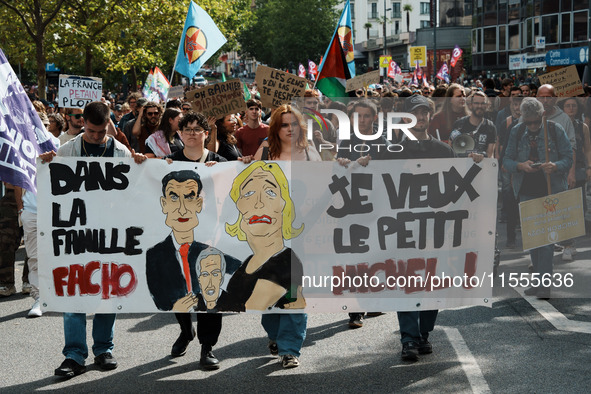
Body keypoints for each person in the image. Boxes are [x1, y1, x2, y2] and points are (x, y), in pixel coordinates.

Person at [38, 101, 147, 378]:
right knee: (74, 292)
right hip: (77, 234)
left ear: (109, 124)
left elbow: (134, 190)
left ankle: (103, 349)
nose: (97, 137)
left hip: (109, 235)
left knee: (106, 291)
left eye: (101, 132)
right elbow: (52, 190)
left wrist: (140, 166)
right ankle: (74, 355)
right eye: (92, 131)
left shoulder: (120, 151)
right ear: (81, 123)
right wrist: (48, 165)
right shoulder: (68, 150)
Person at [156, 111, 238, 370]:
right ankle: (185, 330)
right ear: (179, 134)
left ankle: (207, 346)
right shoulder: (169, 162)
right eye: (187, 129)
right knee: (179, 290)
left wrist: (225, 171)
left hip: (211, 237)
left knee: (208, 292)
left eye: (197, 129)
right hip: (179, 238)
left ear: (206, 133)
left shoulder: (220, 161)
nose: (192, 133)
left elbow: (238, 183)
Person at [225, 160, 308, 368]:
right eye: (248, 193)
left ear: (284, 203)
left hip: (288, 263)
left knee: (292, 305)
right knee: (271, 314)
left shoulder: (287, 262)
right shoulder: (247, 262)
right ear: (238, 205)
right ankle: (278, 338)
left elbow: (249, 303)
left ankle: (289, 349)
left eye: (271, 192)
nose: (259, 203)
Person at [503, 97, 573, 299]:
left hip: (550, 189)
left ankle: (545, 284)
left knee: (546, 239)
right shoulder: (516, 131)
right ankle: (538, 281)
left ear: (543, 115)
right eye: (529, 122)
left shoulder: (554, 129)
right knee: (533, 238)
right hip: (525, 189)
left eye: (536, 121)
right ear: (522, 118)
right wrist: (520, 166)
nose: (533, 126)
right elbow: (506, 160)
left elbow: (568, 157)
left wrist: (556, 166)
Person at [557, 97, 591, 260]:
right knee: (563, 207)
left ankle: (571, 243)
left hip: (578, 170)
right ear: (562, 108)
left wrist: (589, 167)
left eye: (573, 106)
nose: (571, 108)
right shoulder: (556, 125)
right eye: (567, 106)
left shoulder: (582, 126)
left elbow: (587, 149)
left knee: (578, 208)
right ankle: (566, 244)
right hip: (561, 170)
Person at [254, 104, 321, 161]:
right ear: (276, 129)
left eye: (294, 124)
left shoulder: (311, 153)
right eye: (284, 125)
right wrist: (245, 162)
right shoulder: (263, 154)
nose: (290, 129)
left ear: (300, 127)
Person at [449, 91, 497, 158]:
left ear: (487, 106)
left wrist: (483, 156)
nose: (479, 106)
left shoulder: (490, 127)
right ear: (470, 105)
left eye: (483, 103)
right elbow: (451, 149)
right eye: (476, 103)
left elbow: (490, 154)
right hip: (460, 165)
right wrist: (467, 156)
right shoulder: (459, 124)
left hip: (482, 166)